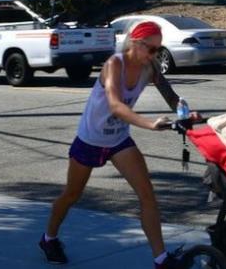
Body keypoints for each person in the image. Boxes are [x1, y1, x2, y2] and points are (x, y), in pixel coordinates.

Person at [39, 20, 200, 267]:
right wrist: (150, 124)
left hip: (119, 140)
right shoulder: (115, 64)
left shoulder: (150, 66)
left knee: (147, 195)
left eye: (158, 49)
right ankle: (49, 238)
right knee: (72, 194)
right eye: (151, 48)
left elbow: (171, 97)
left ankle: (161, 259)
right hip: (90, 139)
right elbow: (115, 105)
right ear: (135, 43)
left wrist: (185, 113)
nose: (155, 54)